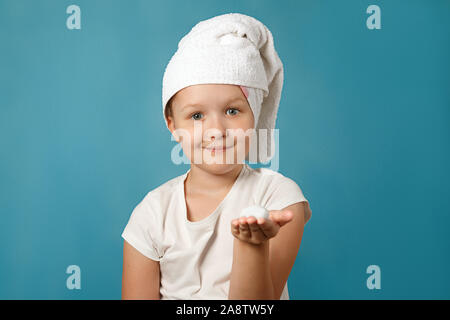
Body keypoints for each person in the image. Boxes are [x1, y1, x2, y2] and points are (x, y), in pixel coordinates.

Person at [121, 13, 312, 300]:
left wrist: (252, 246)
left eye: (232, 111)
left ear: (255, 115)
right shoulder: (151, 214)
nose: (216, 130)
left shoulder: (280, 200)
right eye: (197, 115)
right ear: (172, 124)